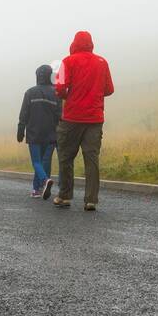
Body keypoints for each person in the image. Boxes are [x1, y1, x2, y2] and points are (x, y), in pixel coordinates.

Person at [53, 30, 114, 211]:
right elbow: (109, 89)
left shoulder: (67, 61)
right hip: (95, 118)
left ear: (74, 44)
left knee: (65, 156)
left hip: (72, 117)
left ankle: (64, 196)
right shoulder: (102, 62)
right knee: (91, 158)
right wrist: (94, 94)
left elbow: (59, 88)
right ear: (91, 43)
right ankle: (91, 200)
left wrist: (69, 96)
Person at [17, 64, 62, 198]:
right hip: (51, 134)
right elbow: (59, 115)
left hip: (34, 133)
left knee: (36, 162)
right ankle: (37, 189)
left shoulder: (30, 92)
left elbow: (24, 113)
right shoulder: (56, 93)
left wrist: (21, 128)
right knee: (44, 161)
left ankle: (44, 180)